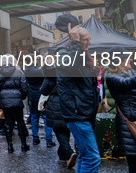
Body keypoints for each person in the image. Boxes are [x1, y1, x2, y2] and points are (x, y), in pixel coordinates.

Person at [55, 15, 101, 173]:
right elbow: (69, 67)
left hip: (85, 112)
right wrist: (74, 42)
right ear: (75, 40)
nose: (90, 42)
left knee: (85, 156)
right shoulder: (63, 53)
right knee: (92, 157)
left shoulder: (82, 55)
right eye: (86, 40)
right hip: (77, 114)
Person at [41, 67, 77, 169]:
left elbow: (43, 91)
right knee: (65, 129)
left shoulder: (50, 75)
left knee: (58, 130)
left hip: (54, 106)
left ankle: (69, 153)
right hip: (68, 104)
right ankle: (62, 156)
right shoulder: (70, 74)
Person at [0, 55, 29, 153]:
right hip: (17, 100)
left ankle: (10, 146)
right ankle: (23, 144)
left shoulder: (0, 74)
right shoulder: (19, 72)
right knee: (20, 121)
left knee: (8, 123)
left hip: (5, 100)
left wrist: (1, 99)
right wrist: (21, 96)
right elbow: (24, 87)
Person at [24, 59, 55, 147]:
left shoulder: (26, 71)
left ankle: (35, 138)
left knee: (34, 116)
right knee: (46, 117)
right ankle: (49, 139)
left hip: (32, 96)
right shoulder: (39, 71)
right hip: (42, 96)